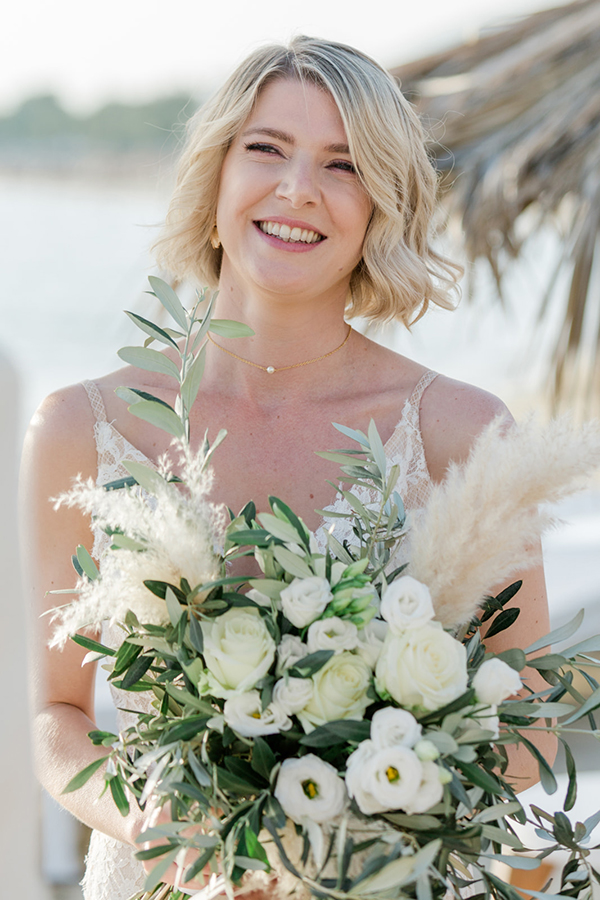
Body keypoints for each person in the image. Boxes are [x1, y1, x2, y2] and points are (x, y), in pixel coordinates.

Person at [20, 36, 553, 900]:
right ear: (217, 171)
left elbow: (530, 729)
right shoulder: (84, 428)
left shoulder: (464, 434)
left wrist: (356, 835)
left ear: (383, 204)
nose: (297, 188)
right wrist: (147, 818)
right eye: (266, 148)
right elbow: (53, 715)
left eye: (343, 165)